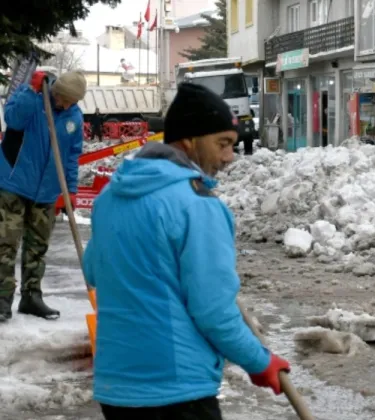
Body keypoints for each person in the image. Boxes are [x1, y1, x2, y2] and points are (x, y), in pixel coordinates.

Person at [82, 82, 291, 420]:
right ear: (190, 140)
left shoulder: (110, 199)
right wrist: (260, 362)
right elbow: (214, 313)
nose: (229, 157)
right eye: (222, 144)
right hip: (177, 393)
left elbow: (93, 270)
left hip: (116, 389)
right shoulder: (198, 206)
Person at [0, 70, 87, 322]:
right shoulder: (32, 99)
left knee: (37, 247)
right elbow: (12, 119)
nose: (67, 105)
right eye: (65, 99)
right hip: (13, 183)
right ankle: (2, 299)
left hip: (47, 191)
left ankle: (31, 297)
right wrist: (30, 91)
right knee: (5, 244)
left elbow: (72, 156)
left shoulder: (74, 117)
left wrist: (70, 189)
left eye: (73, 101)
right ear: (56, 92)